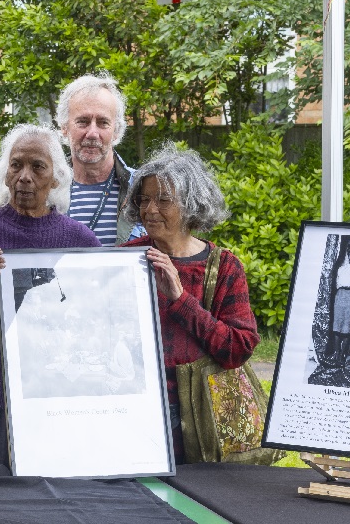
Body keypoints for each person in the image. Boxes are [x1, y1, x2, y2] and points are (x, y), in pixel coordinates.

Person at [118, 143, 259, 464]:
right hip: (133, 407)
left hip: (197, 412)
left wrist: (181, 300)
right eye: (144, 199)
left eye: (164, 200)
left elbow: (238, 348)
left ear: (191, 205)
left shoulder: (223, 266)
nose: (150, 209)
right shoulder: (126, 258)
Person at [0, 124, 100, 467]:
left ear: (57, 178)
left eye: (38, 167)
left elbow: (93, 318)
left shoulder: (81, 241)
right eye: (16, 165)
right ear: (5, 174)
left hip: (52, 394)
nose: (25, 177)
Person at [55, 73, 138, 246]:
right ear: (64, 127)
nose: (92, 133)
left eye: (103, 122)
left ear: (116, 130)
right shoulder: (45, 190)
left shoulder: (142, 189)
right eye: (83, 121)